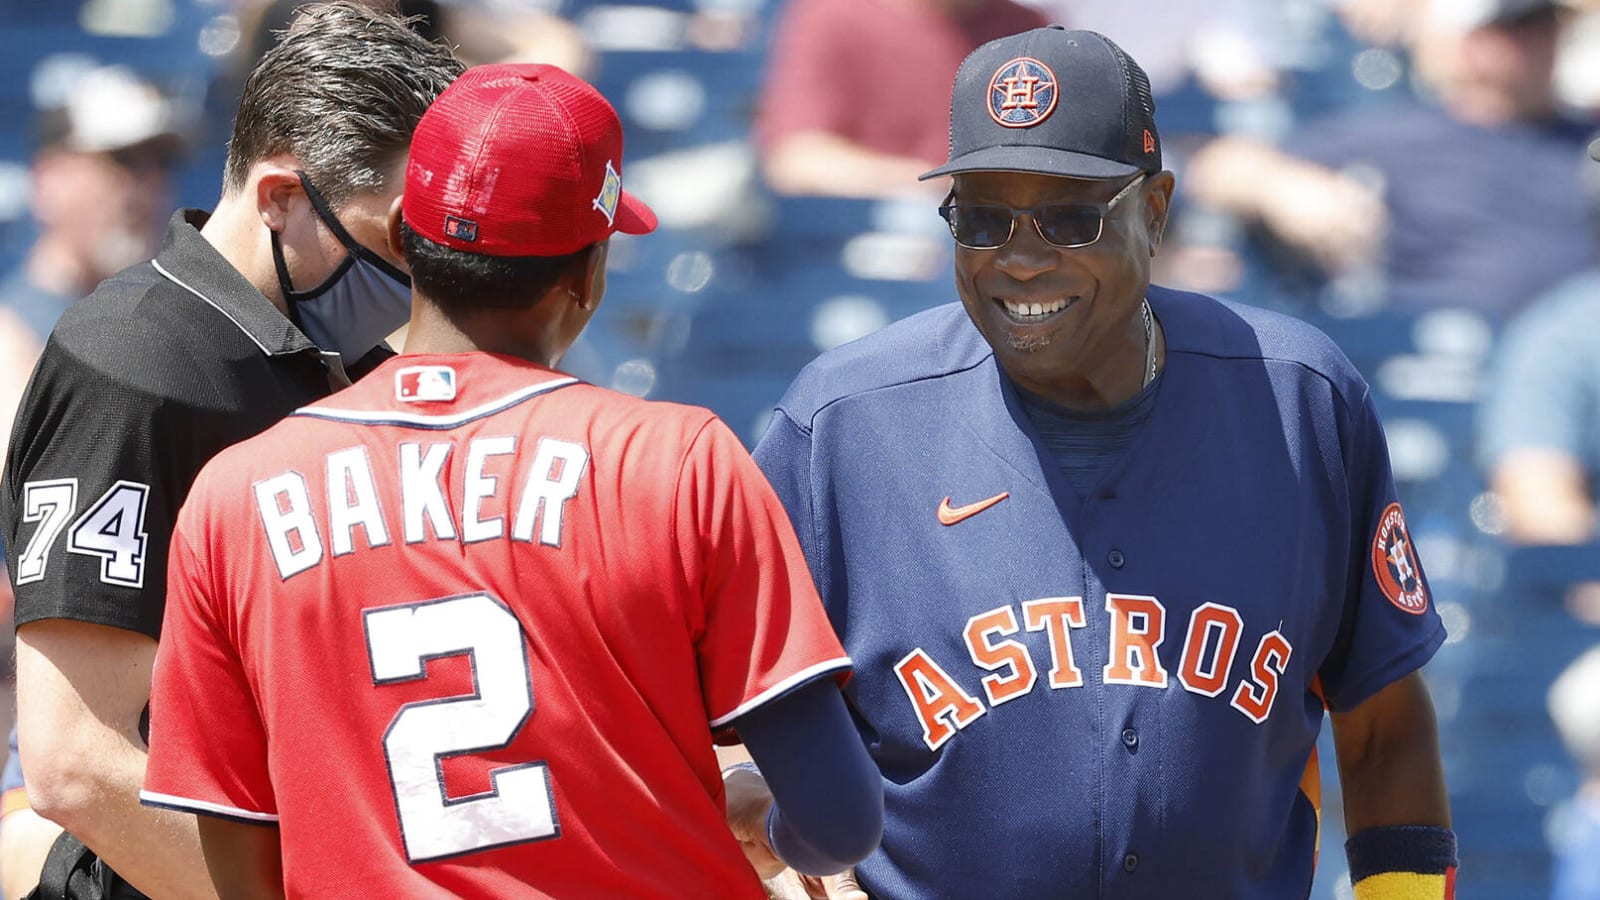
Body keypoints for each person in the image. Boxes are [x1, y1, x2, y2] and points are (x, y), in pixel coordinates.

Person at [138, 62, 882, 898]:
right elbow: (838, 823)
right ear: (587, 278)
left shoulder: (234, 494)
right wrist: (768, 818)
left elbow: (237, 845)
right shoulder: (680, 461)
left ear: (399, 236)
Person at [745, 26, 1456, 899]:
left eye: (1071, 216)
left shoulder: (1300, 402)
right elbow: (735, 711)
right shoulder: (840, 426)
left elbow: (1383, 724)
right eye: (982, 217)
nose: (1021, 255)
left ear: (1154, 213)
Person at [0, 5, 464, 899]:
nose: (417, 274)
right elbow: (78, 760)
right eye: (393, 239)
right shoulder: (139, 364)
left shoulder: (335, 356)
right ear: (283, 198)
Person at [1185, 0, 1595, 320]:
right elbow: (1217, 169)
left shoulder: (1586, 138)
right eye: (1517, 30)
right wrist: (1283, 186)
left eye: (1547, 27)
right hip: (1444, 360)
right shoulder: (1402, 135)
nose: (1541, 43)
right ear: (1468, 43)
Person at [753, 0, 1046, 198]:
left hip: (1001, 232)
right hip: (879, 241)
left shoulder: (1028, 27)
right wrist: (942, 186)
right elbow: (796, 160)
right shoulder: (832, 14)